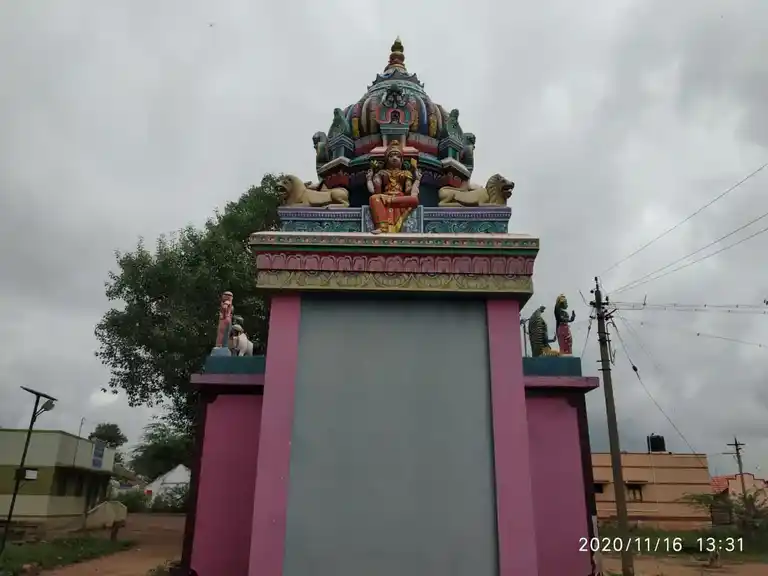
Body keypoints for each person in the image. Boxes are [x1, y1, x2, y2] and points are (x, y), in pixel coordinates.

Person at [366, 140, 421, 233]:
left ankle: (389, 201)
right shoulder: (382, 173)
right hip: (385, 197)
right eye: (391, 156)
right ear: (387, 160)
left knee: (414, 200)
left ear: (402, 160)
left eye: (397, 156)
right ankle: (382, 227)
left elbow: (409, 191)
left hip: (399, 199)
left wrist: (417, 180)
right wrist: (370, 179)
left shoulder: (405, 173)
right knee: (373, 198)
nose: (394, 158)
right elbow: (375, 192)